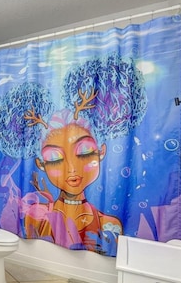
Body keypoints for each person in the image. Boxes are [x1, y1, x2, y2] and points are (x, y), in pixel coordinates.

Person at [23, 101, 122, 255]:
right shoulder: (36, 215)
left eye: (84, 152)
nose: (71, 168)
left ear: (101, 151)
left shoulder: (109, 225)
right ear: (41, 164)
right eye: (55, 158)